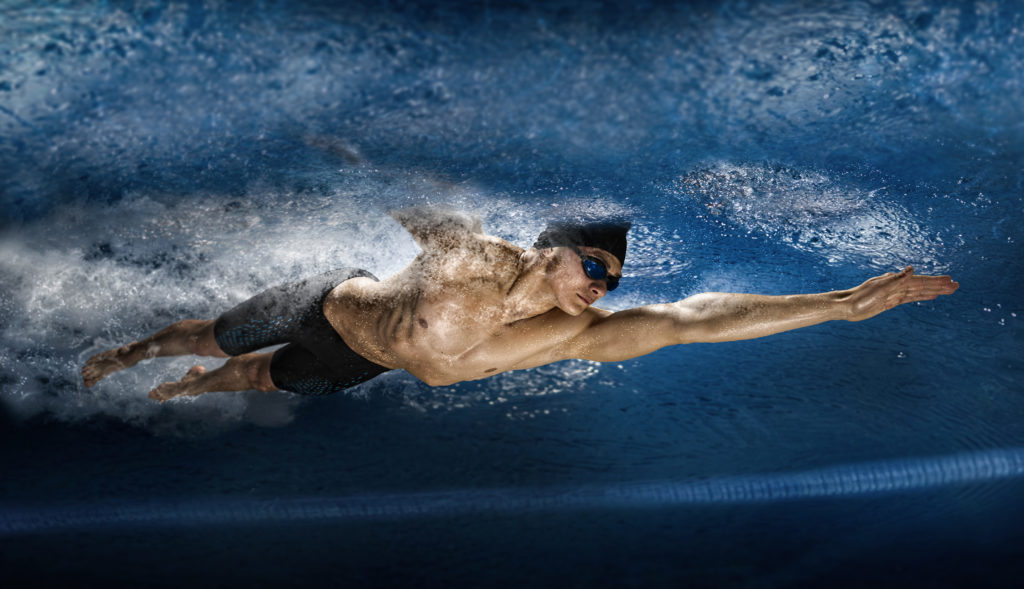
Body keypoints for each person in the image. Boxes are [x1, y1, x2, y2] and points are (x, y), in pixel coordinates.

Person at [81, 208, 959, 401]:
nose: (600, 284)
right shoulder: (473, 259)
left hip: (362, 364)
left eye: (611, 276)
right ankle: (127, 356)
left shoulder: (576, 330)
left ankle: (189, 389)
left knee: (254, 382)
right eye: (591, 263)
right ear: (548, 250)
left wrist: (842, 302)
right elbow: (423, 212)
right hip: (327, 309)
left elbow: (701, 316)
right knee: (213, 332)